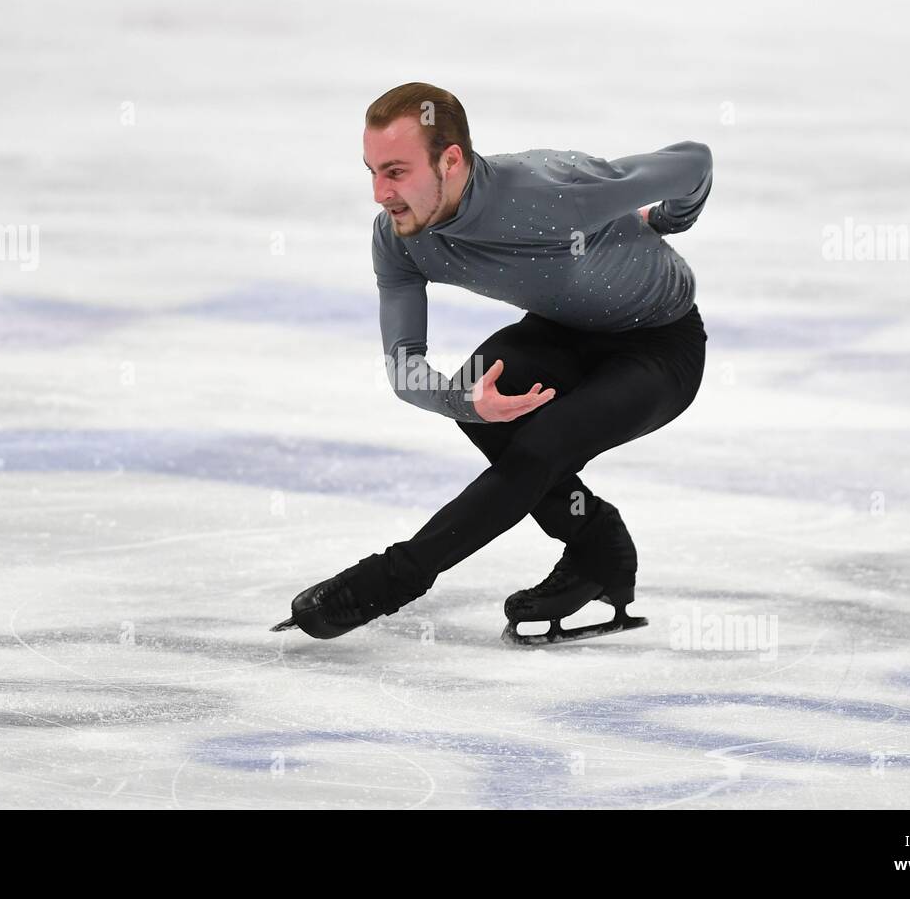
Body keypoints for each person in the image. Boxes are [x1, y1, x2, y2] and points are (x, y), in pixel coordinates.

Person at [273, 82, 711, 644]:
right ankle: (597, 544)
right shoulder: (400, 238)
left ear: (450, 160)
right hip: (561, 333)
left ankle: (391, 579)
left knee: (542, 446)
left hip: (659, 344)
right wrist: (463, 401)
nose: (380, 193)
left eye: (397, 171)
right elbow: (405, 368)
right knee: (479, 394)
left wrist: (667, 220)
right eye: (373, 171)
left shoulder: (554, 192)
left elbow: (694, 163)